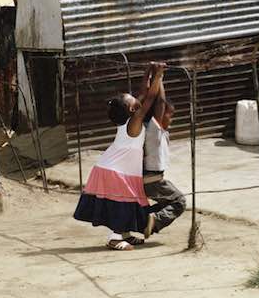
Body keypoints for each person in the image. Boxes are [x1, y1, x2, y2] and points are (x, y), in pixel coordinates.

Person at [73, 62, 165, 250]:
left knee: (126, 202)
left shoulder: (129, 119)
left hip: (115, 168)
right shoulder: (134, 122)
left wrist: (148, 72)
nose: (137, 99)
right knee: (120, 204)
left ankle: (125, 234)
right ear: (132, 110)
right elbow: (150, 98)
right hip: (115, 170)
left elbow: (142, 93)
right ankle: (114, 238)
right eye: (133, 101)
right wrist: (159, 76)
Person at [142, 75, 186, 235]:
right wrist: (159, 76)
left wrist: (150, 75)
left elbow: (147, 97)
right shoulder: (154, 131)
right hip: (152, 180)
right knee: (179, 201)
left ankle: (143, 218)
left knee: (166, 202)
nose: (171, 119)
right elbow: (160, 103)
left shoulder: (142, 126)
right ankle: (153, 221)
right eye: (170, 115)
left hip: (147, 178)